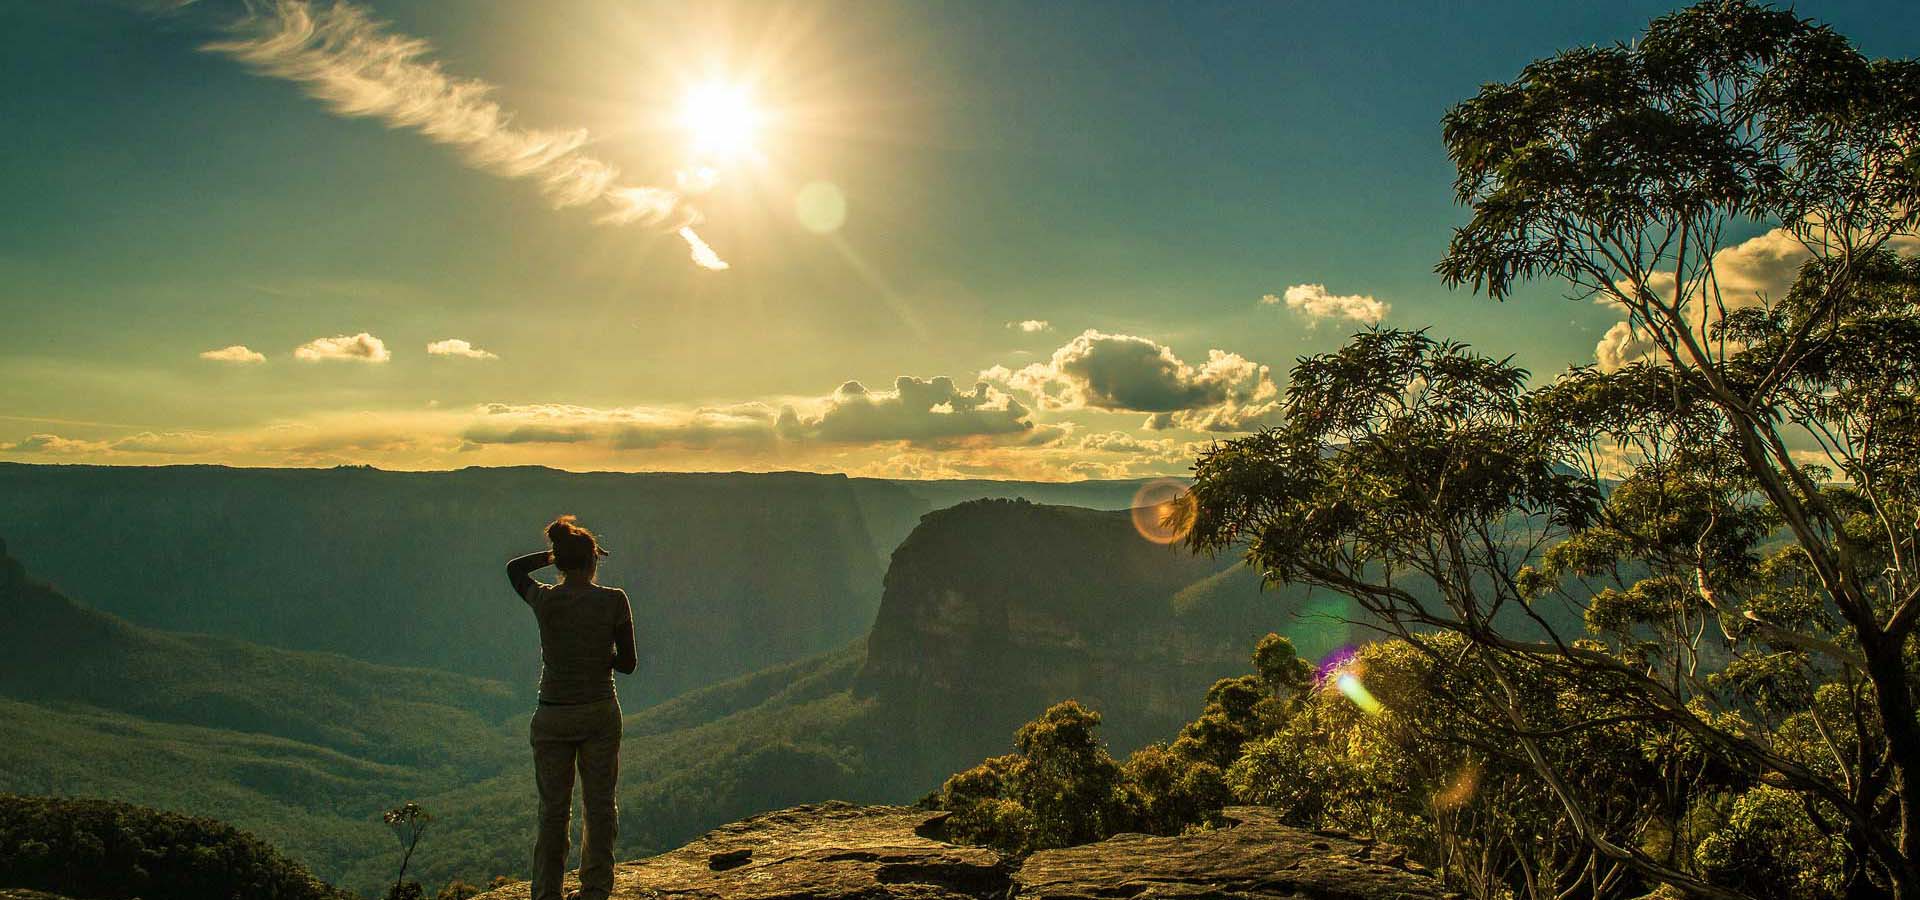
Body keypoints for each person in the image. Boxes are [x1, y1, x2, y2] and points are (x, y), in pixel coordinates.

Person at [507, 515, 638, 900]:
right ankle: (595, 889)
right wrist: (599, 655)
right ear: (593, 561)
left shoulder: (545, 599)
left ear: (562, 562)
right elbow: (629, 664)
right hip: (598, 711)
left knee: (553, 812)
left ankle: (547, 893)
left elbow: (514, 569)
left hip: (552, 715)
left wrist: (553, 556)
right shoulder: (614, 600)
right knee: (599, 808)